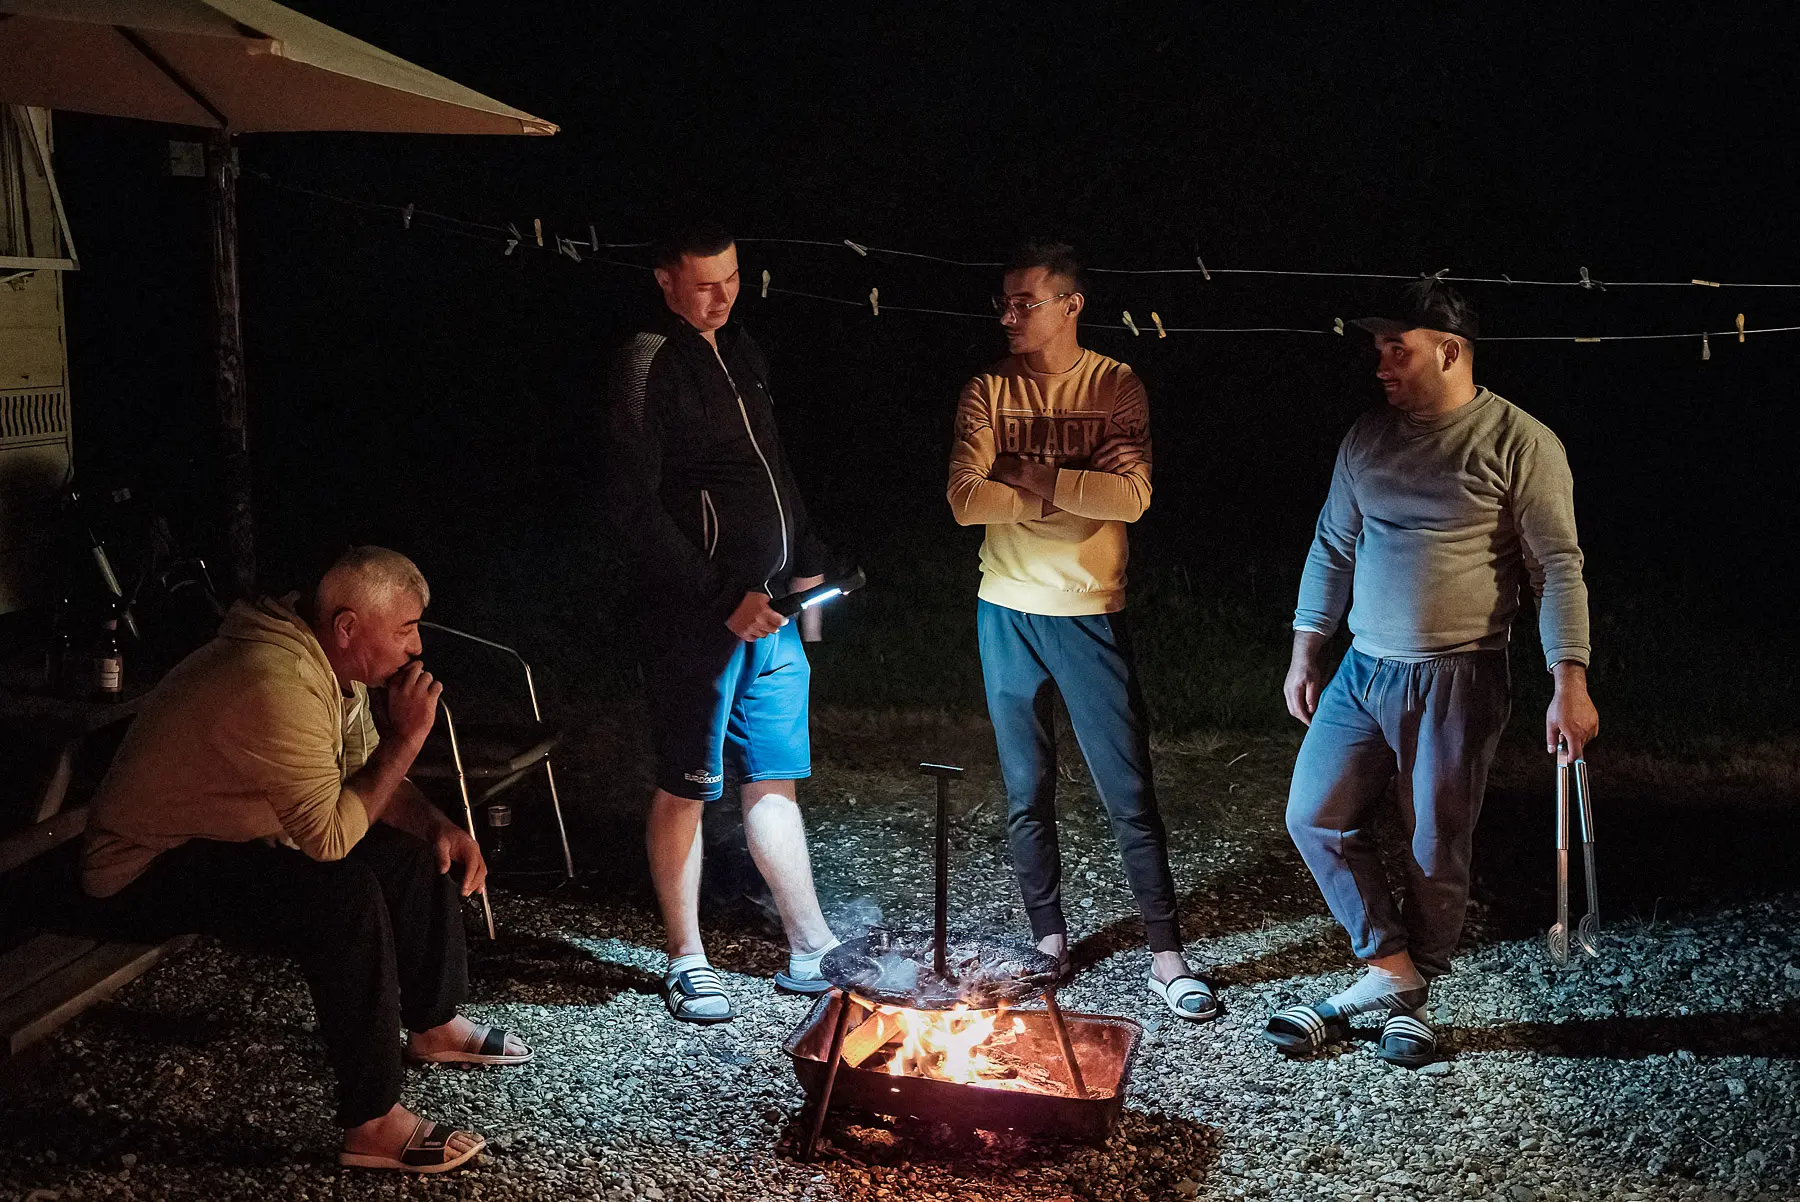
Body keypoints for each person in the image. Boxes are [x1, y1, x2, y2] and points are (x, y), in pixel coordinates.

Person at [81, 546, 527, 1175]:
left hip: (227, 837)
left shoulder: (329, 669)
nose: (416, 647)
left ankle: (433, 1022)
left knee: (406, 850)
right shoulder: (274, 681)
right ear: (347, 628)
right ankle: (371, 1123)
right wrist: (408, 737)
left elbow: (368, 777)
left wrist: (439, 824)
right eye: (404, 630)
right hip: (141, 866)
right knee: (339, 899)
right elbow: (329, 841)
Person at [1266, 280, 1599, 1068]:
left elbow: (1556, 568)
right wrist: (1307, 649)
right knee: (1314, 814)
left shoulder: (1519, 442)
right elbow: (1332, 546)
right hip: (1363, 668)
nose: (1380, 365)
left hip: (1460, 675)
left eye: (1397, 349)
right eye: (1377, 349)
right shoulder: (1367, 438)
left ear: (1449, 351)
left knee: (1433, 841)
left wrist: (1570, 681)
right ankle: (1392, 971)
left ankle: (1412, 987)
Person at [946, 241, 1217, 1022]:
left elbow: (1130, 498)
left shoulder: (1113, 385)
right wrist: (1067, 492)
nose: (1007, 315)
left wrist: (1028, 476)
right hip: (1005, 606)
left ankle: (1167, 953)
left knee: (1126, 788)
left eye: (1024, 302)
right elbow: (967, 500)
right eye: (1003, 302)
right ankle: (1049, 940)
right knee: (1025, 788)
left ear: (1071, 305)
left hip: (1089, 609)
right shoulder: (987, 388)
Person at [604, 217, 840, 1025]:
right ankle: (687, 958)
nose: (722, 296)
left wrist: (805, 555)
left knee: (773, 776)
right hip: (697, 621)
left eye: (732, 278)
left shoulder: (740, 349)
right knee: (688, 786)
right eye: (704, 283)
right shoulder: (648, 363)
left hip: (772, 607)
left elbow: (772, 464)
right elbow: (631, 505)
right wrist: (716, 595)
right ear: (665, 280)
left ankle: (812, 943)